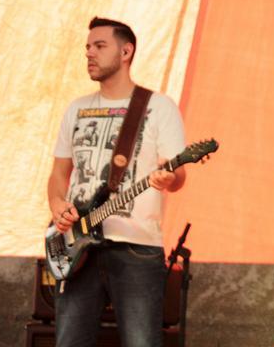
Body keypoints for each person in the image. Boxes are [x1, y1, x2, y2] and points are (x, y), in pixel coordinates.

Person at [46, 17, 187, 347]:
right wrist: (57, 205)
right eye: (87, 47)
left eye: (99, 46)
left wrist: (169, 178)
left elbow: (178, 175)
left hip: (136, 248)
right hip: (76, 246)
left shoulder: (158, 107)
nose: (89, 53)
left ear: (126, 52)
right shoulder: (77, 109)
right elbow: (59, 173)